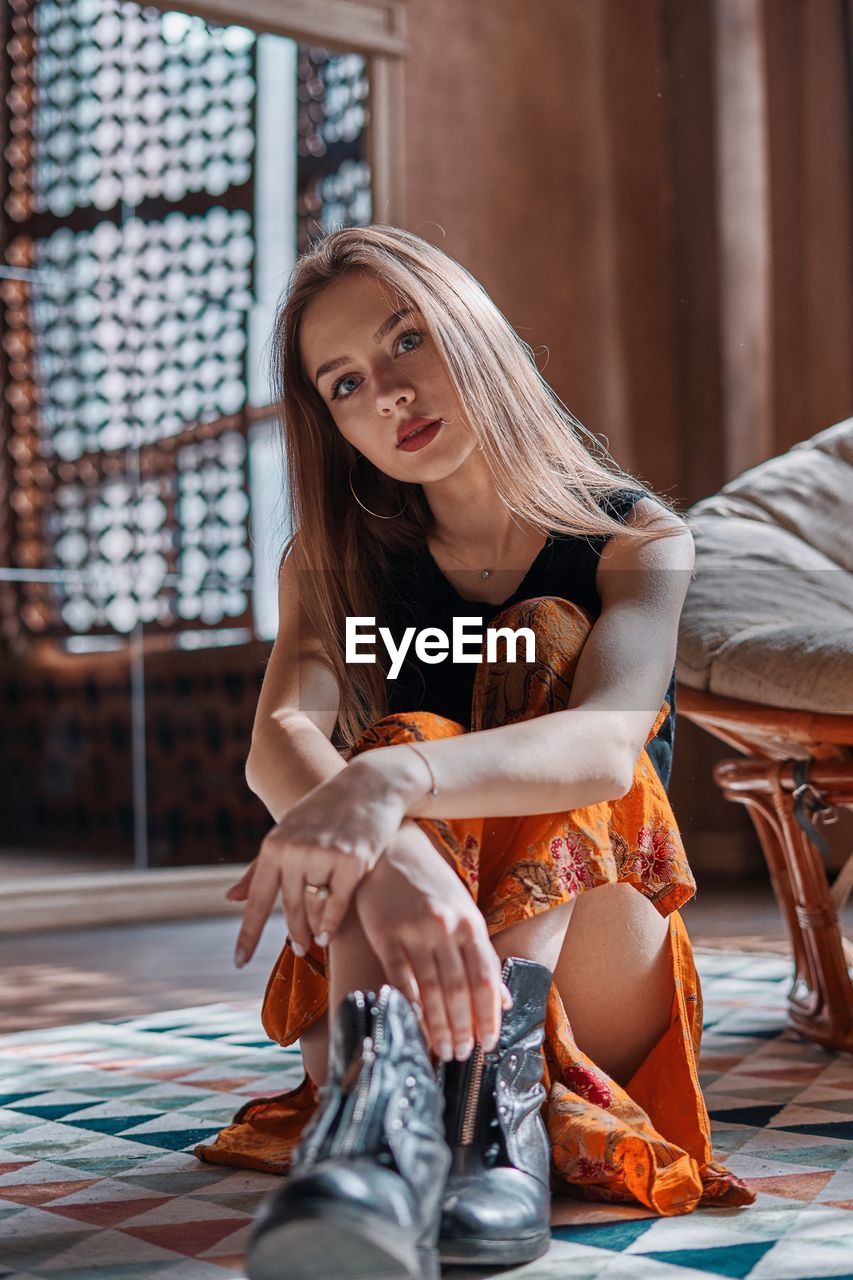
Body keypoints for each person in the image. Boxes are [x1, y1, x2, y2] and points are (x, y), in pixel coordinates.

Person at [195, 225, 756, 1279]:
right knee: (406, 733)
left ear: (476, 328)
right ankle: (391, 1112)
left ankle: (471, 1112)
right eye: (347, 382)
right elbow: (277, 741)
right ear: (335, 423)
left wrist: (389, 782)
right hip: (390, 968)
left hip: (592, 977)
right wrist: (403, 856)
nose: (390, 394)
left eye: (407, 339)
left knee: (534, 649)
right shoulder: (331, 562)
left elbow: (601, 745)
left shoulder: (636, 541)